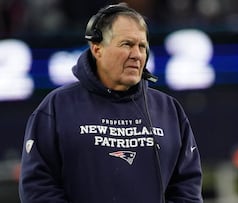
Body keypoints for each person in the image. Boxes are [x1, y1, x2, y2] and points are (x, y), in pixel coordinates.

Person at [18, 3, 203, 203]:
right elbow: (38, 188)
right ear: (97, 49)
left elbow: (187, 190)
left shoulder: (169, 110)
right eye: (127, 44)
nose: (137, 55)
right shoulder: (57, 106)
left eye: (142, 46)